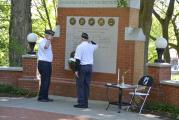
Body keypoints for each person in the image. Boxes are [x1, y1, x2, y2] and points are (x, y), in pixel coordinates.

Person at [74, 32, 98, 108]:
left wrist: (76, 70)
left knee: (80, 85)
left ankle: (81, 103)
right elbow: (97, 45)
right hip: (89, 68)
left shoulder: (79, 46)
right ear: (87, 38)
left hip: (82, 67)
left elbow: (77, 60)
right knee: (87, 85)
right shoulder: (91, 46)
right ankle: (86, 103)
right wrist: (90, 41)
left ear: (81, 38)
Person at [37, 29, 55, 102]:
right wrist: (49, 39)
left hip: (47, 63)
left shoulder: (48, 42)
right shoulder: (43, 41)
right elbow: (45, 47)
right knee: (45, 81)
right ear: (47, 35)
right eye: (51, 35)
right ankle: (42, 97)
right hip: (44, 63)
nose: (52, 37)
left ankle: (44, 96)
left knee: (46, 81)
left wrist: (49, 40)